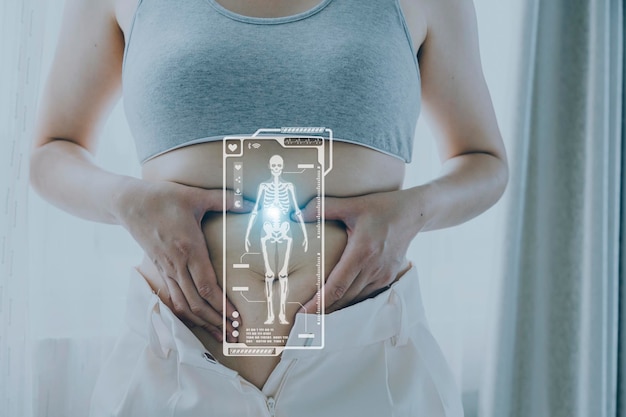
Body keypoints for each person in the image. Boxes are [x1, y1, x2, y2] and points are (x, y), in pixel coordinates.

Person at [29, 0, 508, 415]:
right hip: (178, 366)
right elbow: (52, 149)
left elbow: (484, 161)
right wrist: (127, 201)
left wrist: (413, 212)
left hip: (366, 365)